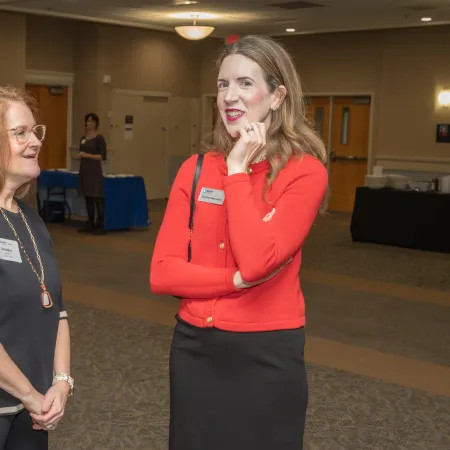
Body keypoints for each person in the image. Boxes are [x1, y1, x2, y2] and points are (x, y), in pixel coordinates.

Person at [150, 35, 328, 450]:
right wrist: (231, 282)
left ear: (277, 94)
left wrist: (236, 170)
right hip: (194, 347)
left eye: (245, 83)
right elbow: (163, 273)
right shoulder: (194, 169)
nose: (230, 96)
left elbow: (257, 261)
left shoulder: (304, 173)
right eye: (222, 85)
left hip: (266, 353)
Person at [0, 86, 73, 449]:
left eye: (36, 131)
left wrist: (61, 381)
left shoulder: (32, 220)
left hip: (34, 409)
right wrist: (30, 395)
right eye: (20, 132)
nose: (36, 141)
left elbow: (56, 309)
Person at [76, 113, 107, 234]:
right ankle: (90, 222)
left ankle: (100, 224)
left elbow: (102, 156)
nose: (89, 123)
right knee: (87, 197)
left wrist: (87, 155)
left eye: (92, 121)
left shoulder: (99, 138)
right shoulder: (83, 138)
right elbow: (80, 152)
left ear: (96, 123)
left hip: (94, 170)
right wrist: (79, 156)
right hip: (84, 169)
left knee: (97, 197)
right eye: (88, 121)